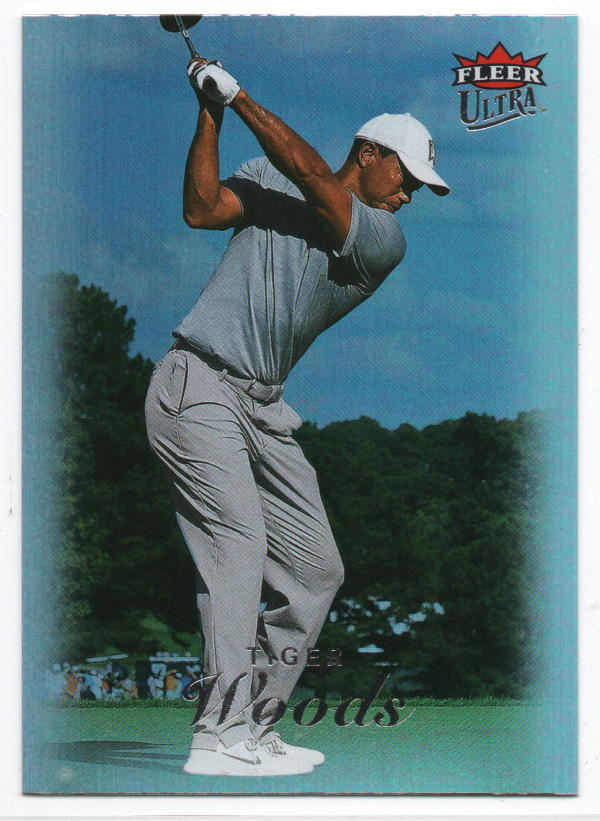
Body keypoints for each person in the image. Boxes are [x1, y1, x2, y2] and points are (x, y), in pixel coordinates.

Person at [145, 56, 449, 777]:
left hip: (263, 408)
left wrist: (237, 95)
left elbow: (313, 176)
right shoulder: (273, 176)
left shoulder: (380, 238)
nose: (409, 194)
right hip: (196, 386)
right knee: (239, 547)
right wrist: (210, 111)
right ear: (368, 154)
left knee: (316, 569)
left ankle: (253, 724)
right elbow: (202, 209)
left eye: (417, 186)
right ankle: (218, 736)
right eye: (405, 176)